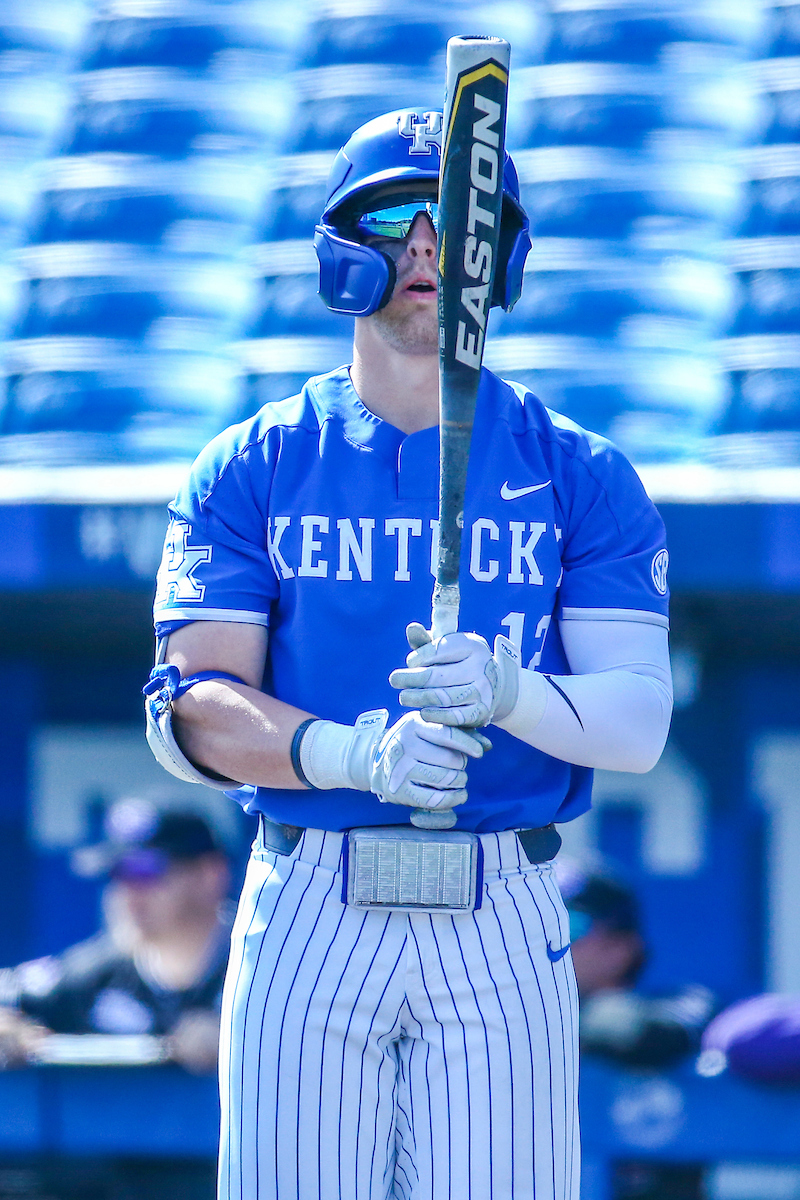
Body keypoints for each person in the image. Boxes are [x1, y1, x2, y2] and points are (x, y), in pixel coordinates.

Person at [145, 108, 673, 1200]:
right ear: (341, 246)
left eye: (458, 220)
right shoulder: (254, 463)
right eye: (394, 218)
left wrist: (512, 692)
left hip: (504, 896)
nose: (427, 246)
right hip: (310, 890)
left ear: (499, 253)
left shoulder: (580, 471)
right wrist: (351, 753)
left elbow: (636, 723)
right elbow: (195, 705)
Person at [0, 802, 232, 1074]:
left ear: (209, 875)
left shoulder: (262, 960)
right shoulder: (95, 973)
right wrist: (7, 1024)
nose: (129, 893)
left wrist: (240, 1040)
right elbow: (10, 992)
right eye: (117, 874)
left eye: (145, 872)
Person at [555, 857, 714, 1070]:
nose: (542, 940)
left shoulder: (682, 1006)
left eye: (566, 925)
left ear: (620, 947)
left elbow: (656, 1031)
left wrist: (587, 1022)